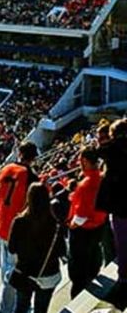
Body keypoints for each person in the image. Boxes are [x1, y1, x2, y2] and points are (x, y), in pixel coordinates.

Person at [0, 142, 39, 313]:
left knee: (5, 267)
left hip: (2, 225)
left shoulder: (5, 169)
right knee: (13, 272)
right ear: (34, 157)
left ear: (19, 153)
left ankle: (9, 306)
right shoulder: (31, 176)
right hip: (17, 231)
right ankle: (7, 308)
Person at [7, 182, 65, 313]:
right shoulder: (55, 224)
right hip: (49, 274)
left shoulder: (19, 221)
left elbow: (11, 248)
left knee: (21, 307)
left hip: (25, 273)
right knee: (41, 309)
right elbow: (62, 251)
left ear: (29, 198)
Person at [91, 118, 127, 306]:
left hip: (121, 208)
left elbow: (95, 151)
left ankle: (124, 281)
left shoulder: (115, 150)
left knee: (122, 243)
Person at [67, 148, 107, 298]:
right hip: (99, 225)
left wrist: (72, 225)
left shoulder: (86, 184)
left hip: (83, 231)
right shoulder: (103, 177)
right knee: (94, 255)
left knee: (78, 267)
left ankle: (78, 295)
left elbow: (81, 216)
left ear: (84, 161)